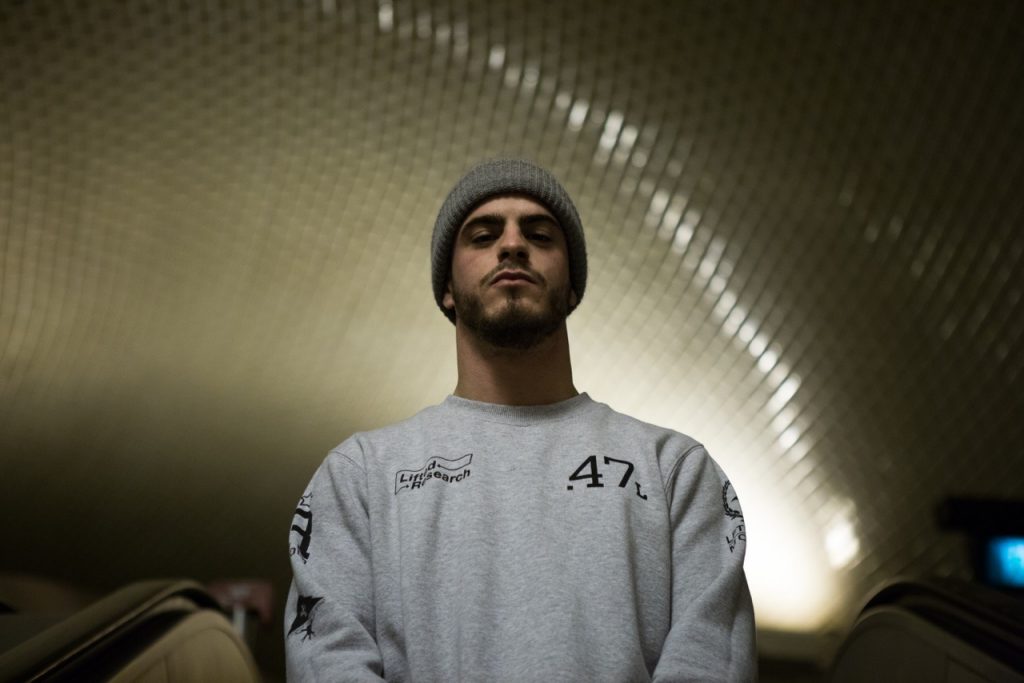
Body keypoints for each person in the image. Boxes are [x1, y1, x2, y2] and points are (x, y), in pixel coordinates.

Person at [286, 159, 756, 682]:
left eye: (539, 235)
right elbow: (330, 660)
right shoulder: (359, 475)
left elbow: (708, 661)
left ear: (572, 286)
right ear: (447, 288)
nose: (512, 245)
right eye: (484, 235)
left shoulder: (674, 470)